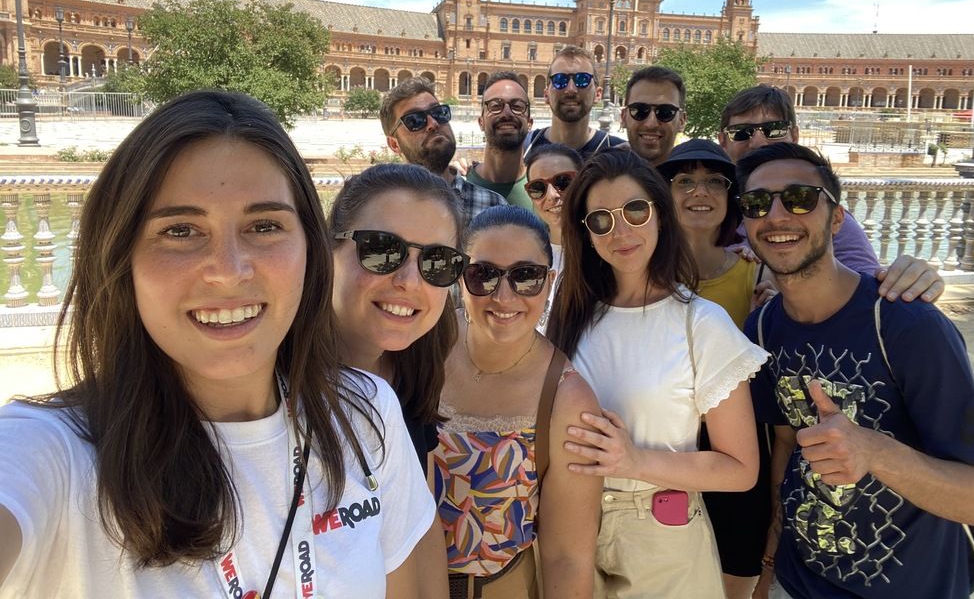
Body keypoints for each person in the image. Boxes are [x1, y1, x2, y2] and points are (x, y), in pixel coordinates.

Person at [0, 91, 437, 598]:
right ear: (121, 258)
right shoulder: (53, 454)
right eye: (181, 230)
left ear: (310, 250)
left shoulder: (365, 414)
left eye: (265, 226)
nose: (229, 271)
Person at [736, 142, 974, 599]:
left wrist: (874, 452)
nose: (777, 216)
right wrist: (769, 565)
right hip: (798, 580)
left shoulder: (909, 325)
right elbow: (786, 447)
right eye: (757, 203)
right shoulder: (762, 327)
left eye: (800, 198)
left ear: (837, 218)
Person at [548, 147, 768, 599]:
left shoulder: (701, 324)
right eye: (601, 220)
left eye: (634, 210)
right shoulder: (566, 316)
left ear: (660, 215)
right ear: (586, 235)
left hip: (662, 539)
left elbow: (741, 469)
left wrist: (634, 461)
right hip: (566, 531)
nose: (621, 230)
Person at [432, 205, 602, 598]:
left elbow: (568, 557)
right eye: (483, 274)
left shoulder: (567, 401)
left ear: (550, 282)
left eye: (525, 276)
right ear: (460, 278)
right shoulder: (424, 345)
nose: (504, 296)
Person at [329, 163, 462, 596]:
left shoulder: (412, 368)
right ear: (326, 250)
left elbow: (419, 534)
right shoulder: (267, 387)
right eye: (382, 250)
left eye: (437, 262)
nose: (409, 281)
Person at [658, 138, 774, 599]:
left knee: (734, 573)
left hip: (737, 449)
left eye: (713, 182)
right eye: (684, 181)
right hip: (667, 446)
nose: (698, 192)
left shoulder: (756, 274)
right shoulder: (641, 279)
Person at [718, 84, 946, 304]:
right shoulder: (705, 210)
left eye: (773, 129)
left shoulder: (821, 215)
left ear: (794, 136)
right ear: (723, 142)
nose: (758, 142)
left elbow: (870, 291)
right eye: (741, 133)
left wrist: (912, 282)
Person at [381, 76, 506, 227]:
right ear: (394, 144)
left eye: (438, 113)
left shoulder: (494, 208)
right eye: (415, 120)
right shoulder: (381, 213)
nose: (433, 124)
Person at [523, 45, 627, 160]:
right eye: (560, 80)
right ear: (546, 95)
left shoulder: (620, 153)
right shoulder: (522, 148)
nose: (571, 89)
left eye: (582, 80)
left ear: (597, 94)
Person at [465, 72, 535, 208]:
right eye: (495, 106)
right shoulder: (460, 185)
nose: (507, 113)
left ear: (529, 123)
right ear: (481, 122)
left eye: (517, 106)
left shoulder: (544, 190)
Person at [523, 142, 584, 288]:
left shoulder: (609, 249)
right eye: (538, 188)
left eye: (563, 181)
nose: (551, 195)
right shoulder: (525, 257)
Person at [621, 65, 686, 167]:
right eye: (640, 110)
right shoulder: (598, 175)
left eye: (665, 112)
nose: (651, 124)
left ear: (682, 121)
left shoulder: (698, 179)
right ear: (623, 117)